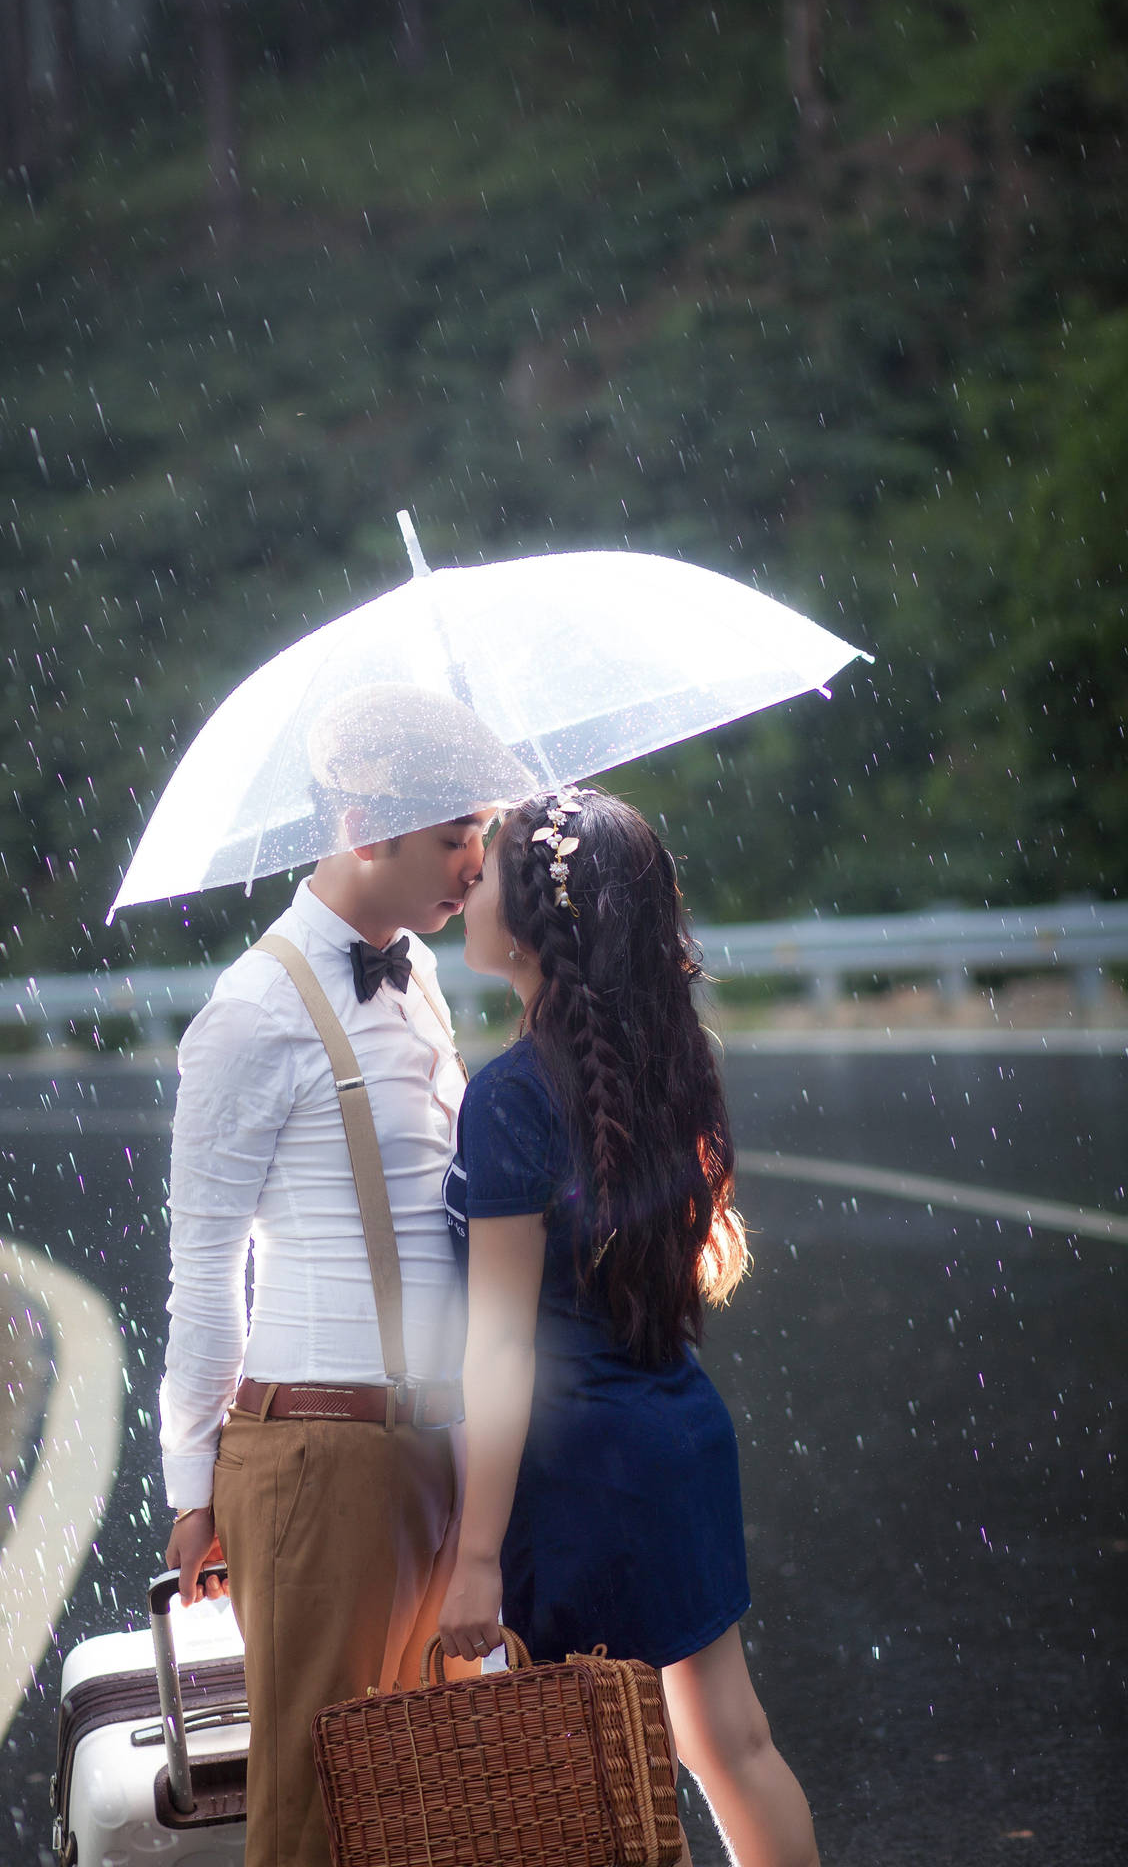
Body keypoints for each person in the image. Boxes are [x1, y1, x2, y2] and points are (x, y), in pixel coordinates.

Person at [161, 683, 536, 1867]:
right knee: (318, 1816)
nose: (476, 866)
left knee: (436, 1807)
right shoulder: (250, 1013)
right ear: (365, 823)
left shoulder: (416, 970)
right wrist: (191, 1484)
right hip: (321, 1455)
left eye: (479, 834)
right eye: (452, 837)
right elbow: (204, 1267)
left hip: (440, 1447)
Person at [438, 788, 820, 1867]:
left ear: (536, 922)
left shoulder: (512, 1099)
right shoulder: (663, 1059)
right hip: (676, 1435)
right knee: (730, 1744)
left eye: (489, 869)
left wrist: (474, 1557)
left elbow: (502, 1349)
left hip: (578, 1479)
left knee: (592, 1785)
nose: (467, 883)